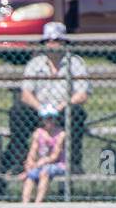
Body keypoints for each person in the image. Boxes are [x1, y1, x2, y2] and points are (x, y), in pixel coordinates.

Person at [7, 22, 89, 176]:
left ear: (64, 42)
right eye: (49, 41)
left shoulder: (75, 63)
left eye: (57, 40)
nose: (53, 44)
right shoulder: (35, 64)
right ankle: (18, 162)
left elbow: (82, 94)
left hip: (63, 108)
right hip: (38, 110)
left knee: (77, 113)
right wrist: (41, 108)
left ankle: (74, 163)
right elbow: (26, 94)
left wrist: (60, 107)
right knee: (17, 112)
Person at [19, 105, 67, 203]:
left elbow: (55, 156)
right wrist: (30, 163)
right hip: (40, 164)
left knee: (44, 173)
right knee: (30, 176)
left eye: (51, 118)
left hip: (58, 164)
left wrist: (41, 162)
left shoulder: (60, 134)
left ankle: (38, 202)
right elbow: (32, 151)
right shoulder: (38, 133)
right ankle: (24, 203)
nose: (49, 121)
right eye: (46, 119)